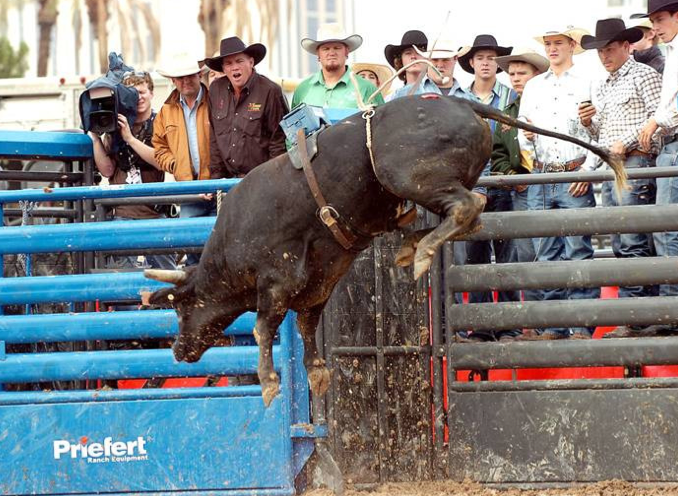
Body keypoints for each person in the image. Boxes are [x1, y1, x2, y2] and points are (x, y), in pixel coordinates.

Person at [578, 18, 662, 339]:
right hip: (617, 168)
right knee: (621, 241)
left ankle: (636, 317)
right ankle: (638, 315)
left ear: (627, 46)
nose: (604, 56)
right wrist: (589, 124)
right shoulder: (604, 84)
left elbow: (658, 121)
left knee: (632, 241)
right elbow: (604, 134)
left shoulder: (645, 74)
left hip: (636, 163)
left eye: (609, 49)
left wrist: (623, 143)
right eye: (601, 51)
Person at [518, 25, 599, 340]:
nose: (552, 49)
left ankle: (580, 325)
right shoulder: (534, 86)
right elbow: (522, 127)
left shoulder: (588, 81)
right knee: (546, 252)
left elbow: (598, 128)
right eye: (548, 44)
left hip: (574, 171)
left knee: (577, 249)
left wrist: (587, 170)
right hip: (543, 173)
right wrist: (527, 138)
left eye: (558, 43)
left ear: (571, 46)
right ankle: (555, 325)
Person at [89, 70, 176, 272]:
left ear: (151, 93)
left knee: (166, 275)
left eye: (142, 92)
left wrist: (129, 138)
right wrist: (95, 138)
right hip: (122, 214)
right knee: (123, 277)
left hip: (153, 214)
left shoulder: (160, 122)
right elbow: (107, 171)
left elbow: (161, 161)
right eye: (132, 94)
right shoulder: (115, 125)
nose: (138, 98)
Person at [490, 48, 550, 307]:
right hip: (523, 187)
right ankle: (538, 316)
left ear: (536, 75)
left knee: (552, 249)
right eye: (512, 74)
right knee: (528, 252)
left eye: (521, 73)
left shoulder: (549, 104)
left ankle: (555, 315)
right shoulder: (508, 111)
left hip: (549, 179)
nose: (515, 78)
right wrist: (513, 176)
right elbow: (498, 152)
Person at [634, 0, 678, 336]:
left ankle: (671, 311)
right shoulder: (671, 52)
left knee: (666, 227)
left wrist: (655, 122)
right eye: (653, 21)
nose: (656, 27)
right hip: (671, 144)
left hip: (674, 143)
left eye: (660, 19)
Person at [153, 52, 212, 266]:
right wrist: (176, 165)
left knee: (220, 244)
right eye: (180, 77)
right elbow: (159, 147)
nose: (185, 81)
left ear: (199, 75)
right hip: (188, 191)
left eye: (190, 75)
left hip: (217, 185)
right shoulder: (166, 111)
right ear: (173, 80)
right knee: (192, 246)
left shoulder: (216, 102)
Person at [203, 36, 289, 180]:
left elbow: (278, 143)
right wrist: (216, 179)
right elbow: (214, 139)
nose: (234, 67)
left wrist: (272, 180)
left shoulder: (270, 91)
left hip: (261, 180)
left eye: (239, 61)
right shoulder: (215, 90)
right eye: (228, 63)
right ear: (223, 68)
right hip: (227, 182)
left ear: (251, 62)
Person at [291, 23, 385, 109]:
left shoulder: (367, 88)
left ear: (346, 52)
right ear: (318, 54)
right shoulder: (302, 89)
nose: (331, 53)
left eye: (337, 48)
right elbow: (294, 122)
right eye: (326, 49)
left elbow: (383, 121)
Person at [391, 39, 469, 99]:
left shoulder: (469, 99)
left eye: (445, 59)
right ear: (427, 59)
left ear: (455, 59)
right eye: (435, 60)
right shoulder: (403, 94)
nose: (440, 65)